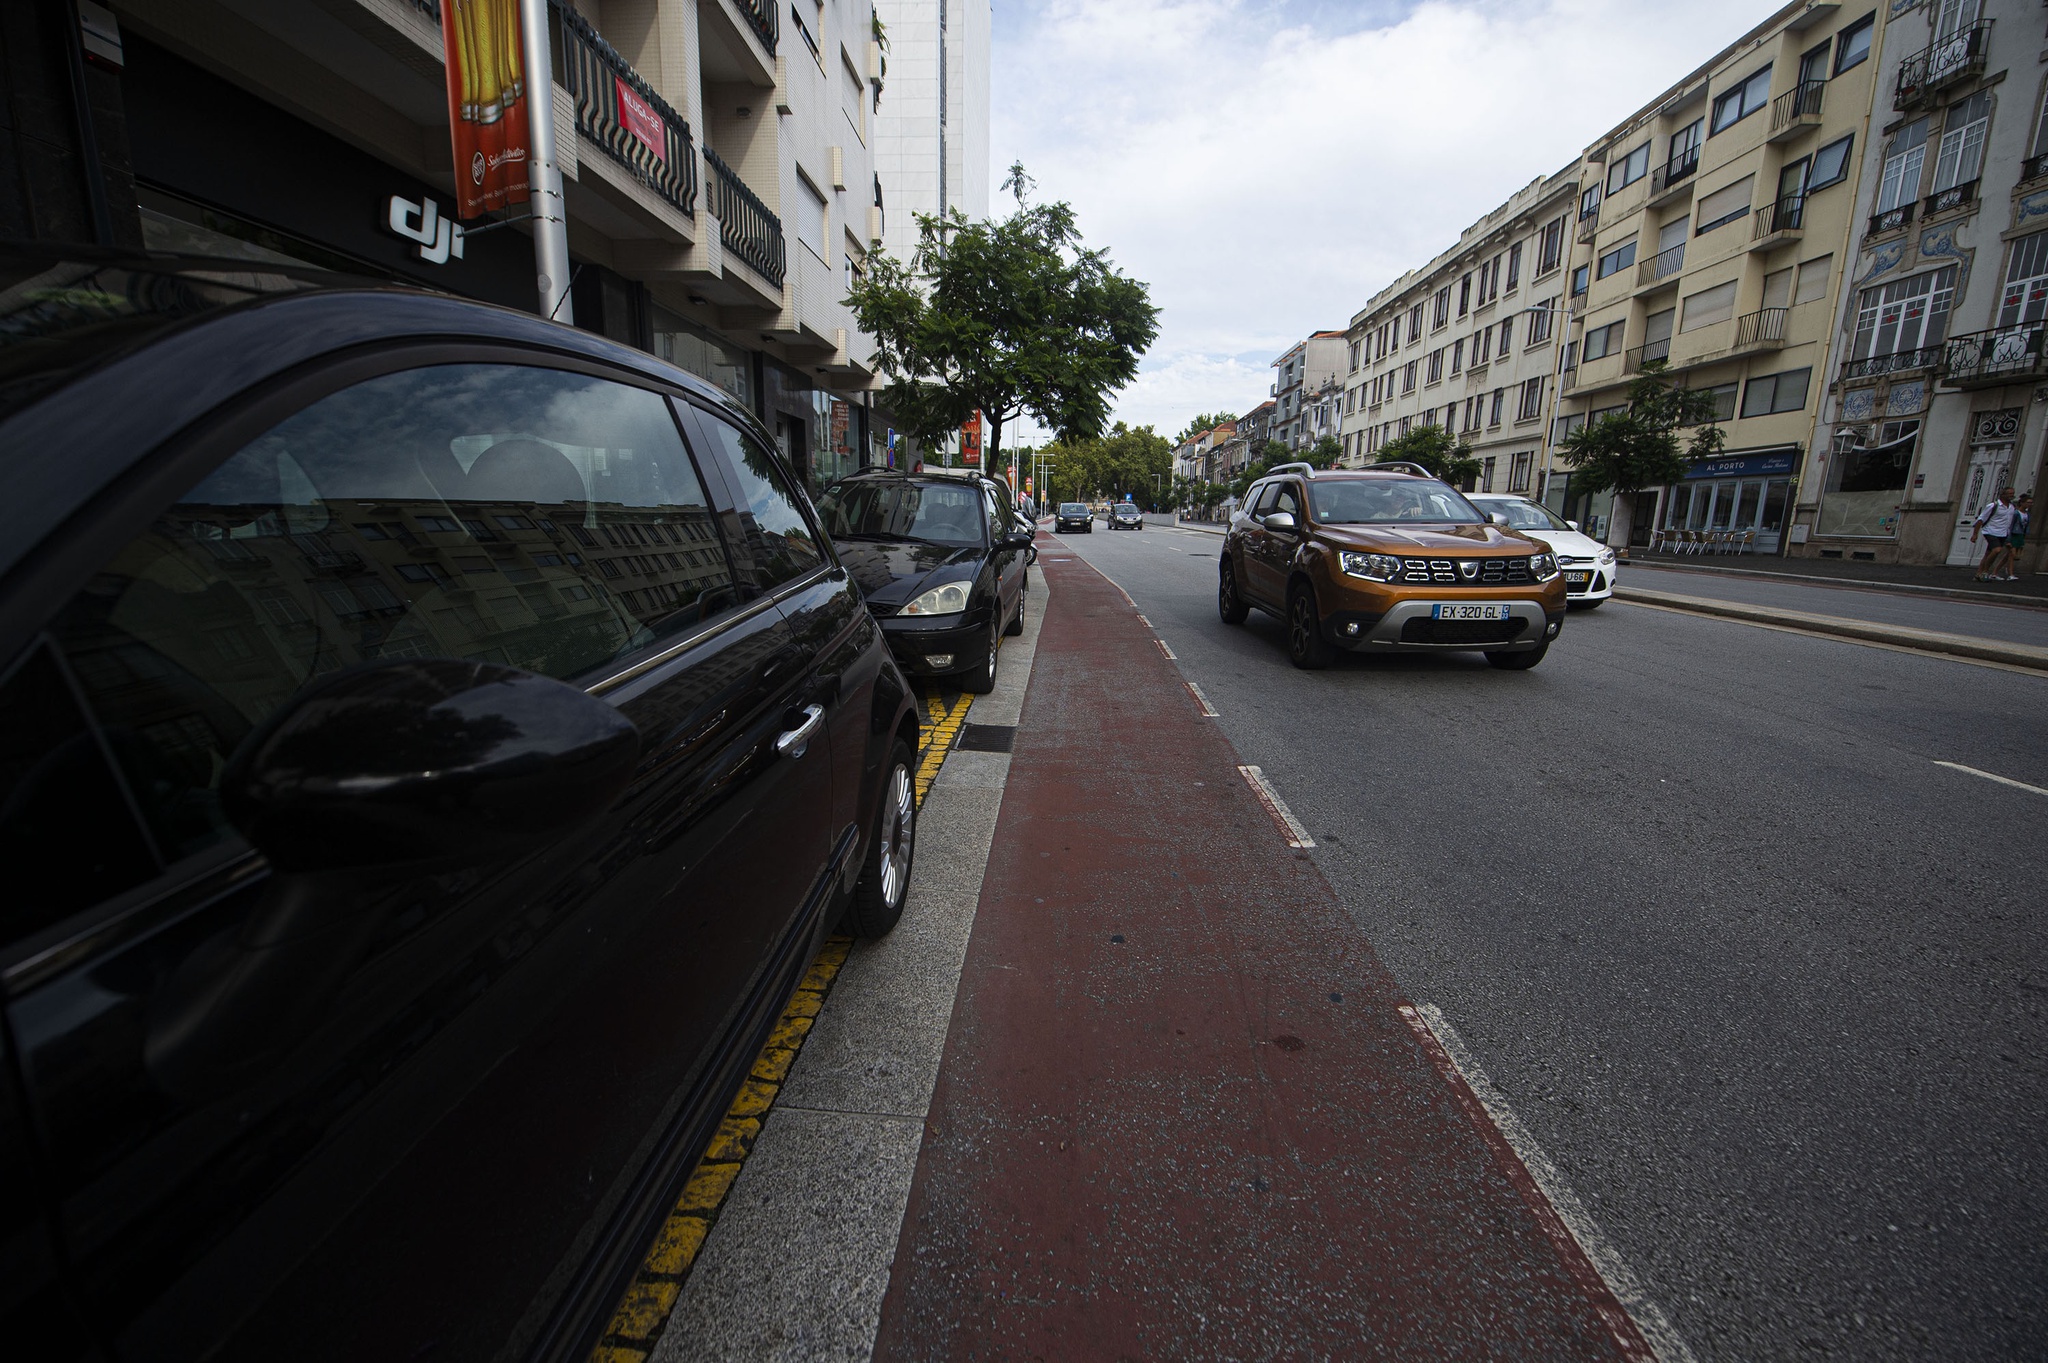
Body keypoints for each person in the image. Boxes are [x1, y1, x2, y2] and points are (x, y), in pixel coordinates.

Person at [1972, 485, 2018, 581]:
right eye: (2009, 493)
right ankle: (1985, 571)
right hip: (1990, 531)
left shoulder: (2012, 507)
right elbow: (1981, 519)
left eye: (2012, 494)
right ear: (2003, 495)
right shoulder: (1993, 506)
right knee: (1997, 550)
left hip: (2003, 533)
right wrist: (1975, 534)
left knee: (1988, 553)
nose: (2011, 496)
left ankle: (1978, 573)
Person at [1996, 493, 2031, 581]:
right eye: (2028, 502)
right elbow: (2010, 526)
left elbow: (2026, 526)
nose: (2030, 504)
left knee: (2008, 556)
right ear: (2022, 503)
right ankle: (2010, 574)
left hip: (2020, 535)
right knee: (2012, 555)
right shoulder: (2015, 513)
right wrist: (2008, 540)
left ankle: (1995, 572)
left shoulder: (2027, 514)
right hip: (2013, 535)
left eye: (2031, 503)